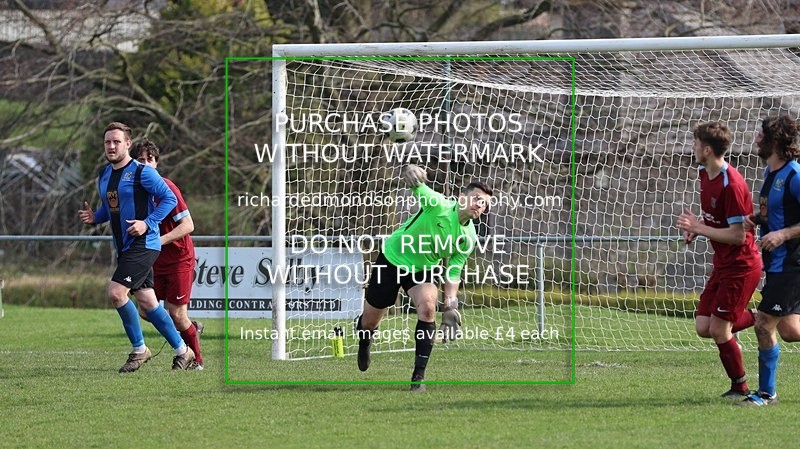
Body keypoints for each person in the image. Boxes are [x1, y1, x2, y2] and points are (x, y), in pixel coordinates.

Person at [355, 164, 492, 391]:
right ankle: (365, 340)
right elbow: (417, 185)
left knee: (429, 308)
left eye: (484, 203)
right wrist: (410, 169)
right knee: (370, 321)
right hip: (392, 258)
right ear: (461, 198)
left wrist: (451, 304)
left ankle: (418, 378)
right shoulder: (438, 205)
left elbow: (454, 270)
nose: (480, 204)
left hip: (423, 269)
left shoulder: (469, 237)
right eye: (477, 198)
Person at [79, 122, 195, 372]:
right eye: (107, 142)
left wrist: (148, 222)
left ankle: (140, 350)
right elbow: (112, 207)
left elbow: (169, 199)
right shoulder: (104, 175)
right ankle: (183, 351)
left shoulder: (143, 171)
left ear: (128, 144)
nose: (111, 146)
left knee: (116, 293)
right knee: (149, 304)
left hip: (144, 243)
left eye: (116, 141)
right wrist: (95, 217)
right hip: (125, 247)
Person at [675, 121, 762, 399]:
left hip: (741, 266)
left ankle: (740, 387)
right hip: (723, 264)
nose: (693, 148)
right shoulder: (704, 173)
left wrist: (700, 228)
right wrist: (697, 228)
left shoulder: (732, 184)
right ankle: (761, 318)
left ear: (708, 149)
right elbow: (716, 220)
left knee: (720, 329)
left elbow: (738, 236)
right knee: (704, 326)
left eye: (696, 144)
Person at [738, 114, 800, 406]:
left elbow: (789, 224)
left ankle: (766, 394)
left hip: (793, 264)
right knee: (790, 331)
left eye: (760, 134)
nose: (756, 139)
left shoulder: (794, 174)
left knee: (763, 323)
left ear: (774, 140)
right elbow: (776, 213)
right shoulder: (770, 174)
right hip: (776, 264)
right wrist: (756, 219)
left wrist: (785, 234)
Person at [130, 139, 204, 370]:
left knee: (176, 314)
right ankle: (190, 330)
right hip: (153, 261)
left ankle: (196, 361)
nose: (145, 164)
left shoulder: (166, 188)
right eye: (140, 160)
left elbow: (188, 225)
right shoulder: (133, 191)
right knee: (144, 310)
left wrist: (157, 241)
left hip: (178, 259)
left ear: (156, 162)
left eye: (149, 160)